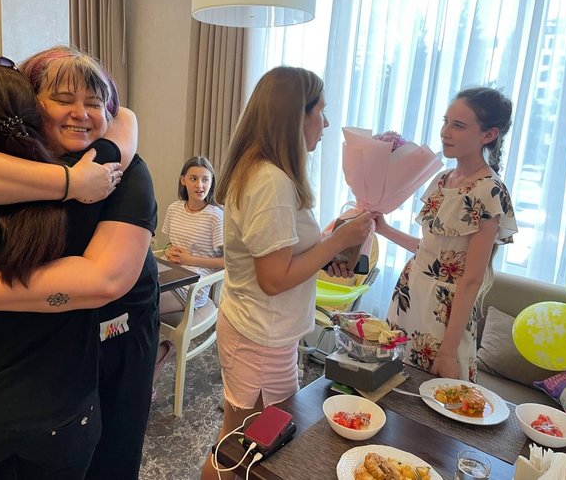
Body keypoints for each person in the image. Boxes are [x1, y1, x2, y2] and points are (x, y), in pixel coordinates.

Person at [0, 47, 159, 480]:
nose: (80, 112)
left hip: (90, 354)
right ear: (28, 104)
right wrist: (71, 183)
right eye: (62, 99)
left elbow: (104, 281)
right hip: (34, 399)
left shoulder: (114, 171)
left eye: (94, 101)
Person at [200, 67, 373, 480]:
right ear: (297, 117)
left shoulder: (263, 171)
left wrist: (325, 247)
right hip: (259, 335)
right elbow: (274, 278)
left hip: (261, 330)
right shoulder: (271, 181)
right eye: (320, 112)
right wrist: (335, 240)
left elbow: (277, 254)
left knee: (244, 442)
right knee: (242, 447)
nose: (326, 124)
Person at [375, 87, 517, 382]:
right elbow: (432, 251)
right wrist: (384, 229)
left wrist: (448, 352)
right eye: (445, 121)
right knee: (393, 385)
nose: (445, 132)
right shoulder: (442, 180)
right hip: (410, 293)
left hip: (445, 312)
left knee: (439, 396)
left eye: (459, 125)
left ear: (489, 135)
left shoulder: (490, 191)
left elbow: (471, 279)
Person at [155, 156, 224, 399]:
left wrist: (191, 260)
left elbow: (228, 262)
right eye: (194, 178)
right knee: (131, 296)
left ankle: (150, 371)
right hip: (170, 275)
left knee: (143, 306)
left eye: (205, 179)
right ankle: (142, 364)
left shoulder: (215, 215)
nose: (200, 185)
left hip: (194, 287)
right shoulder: (175, 209)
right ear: (183, 180)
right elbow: (170, 245)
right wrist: (169, 251)